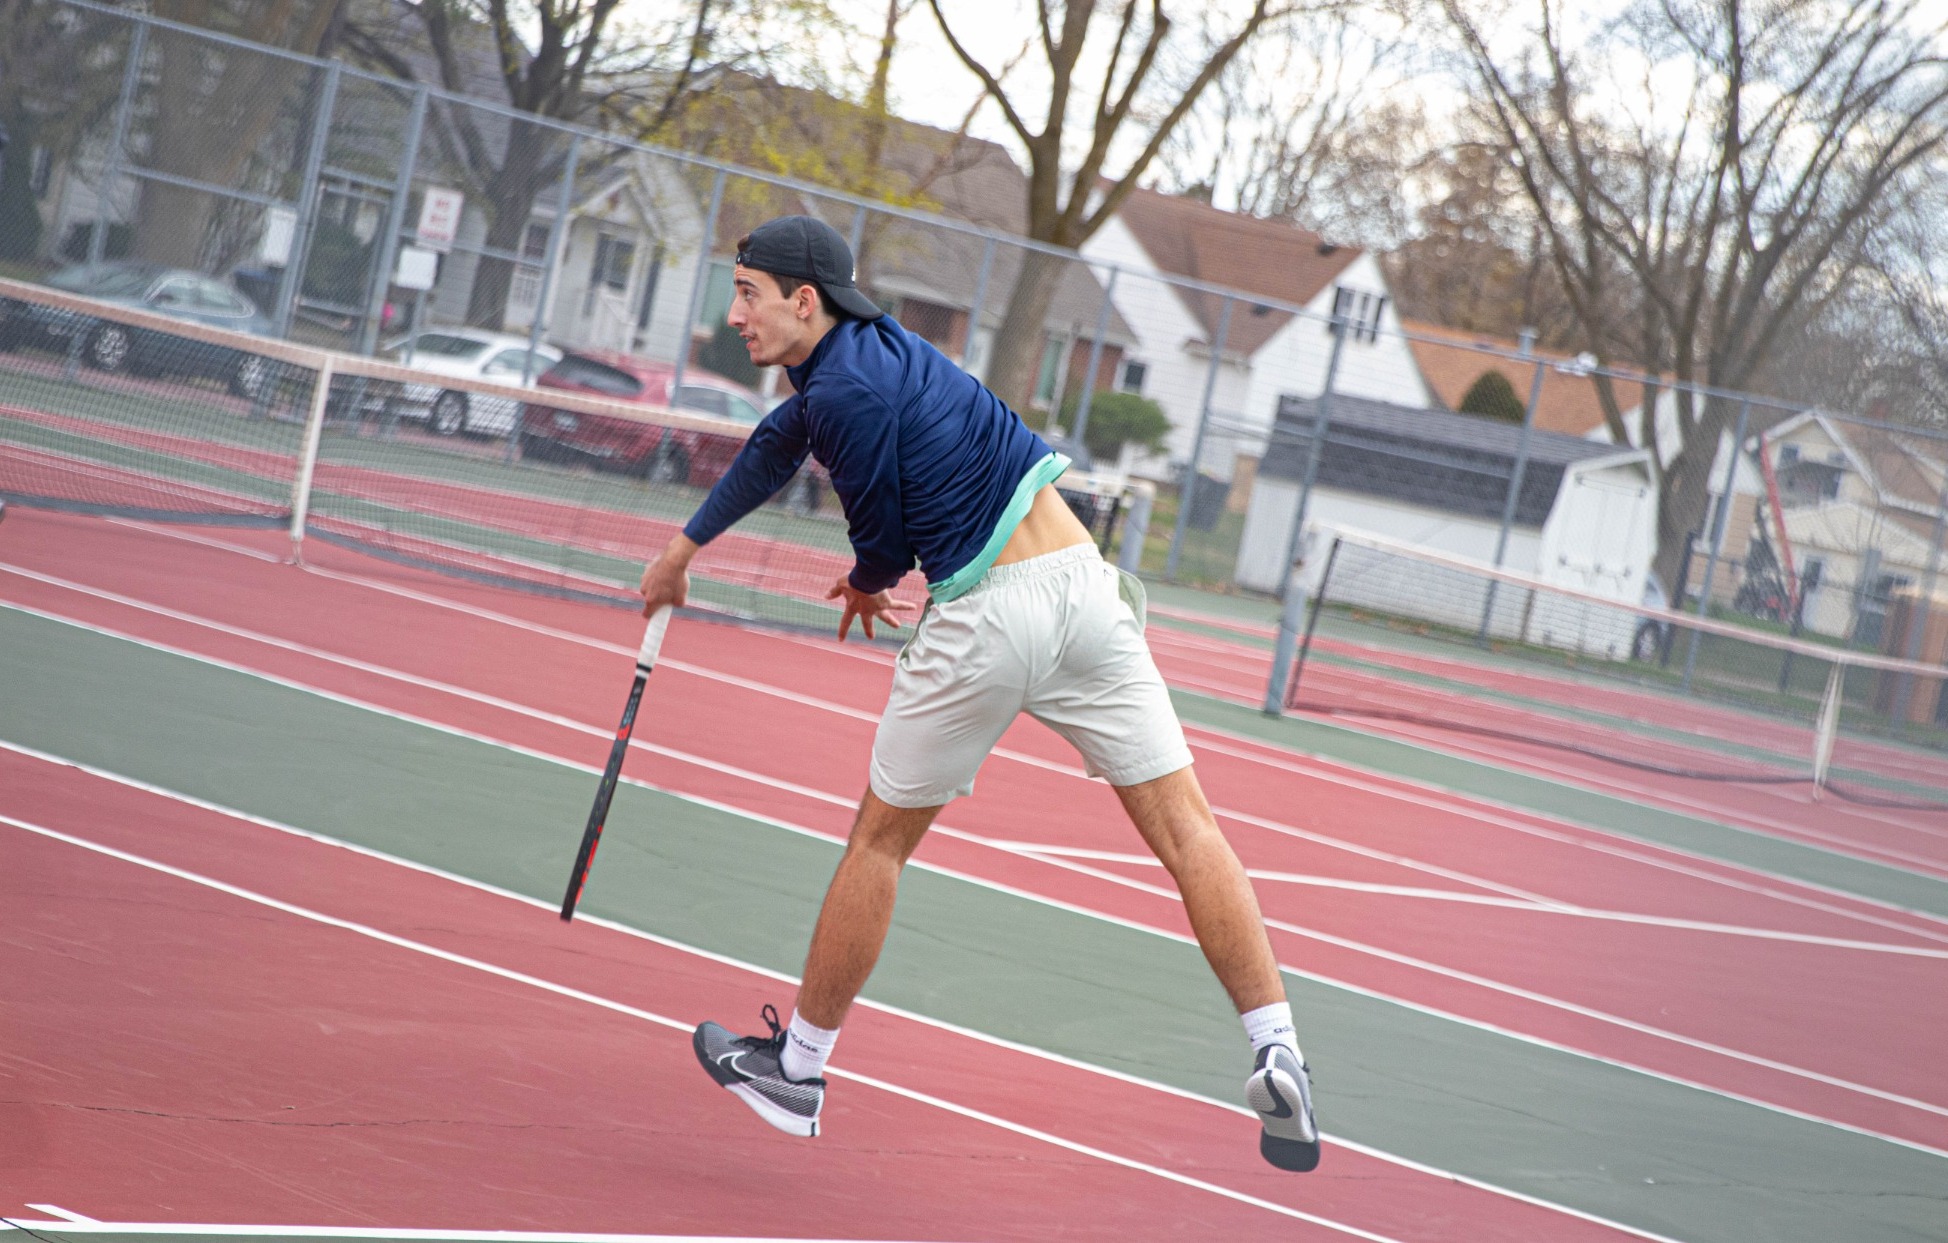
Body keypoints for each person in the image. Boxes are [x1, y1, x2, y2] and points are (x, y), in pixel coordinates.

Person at [637, 215, 1318, 1171]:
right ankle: (1277, 1047)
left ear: (804, 300)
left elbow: (883, 536)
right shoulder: (881, 351)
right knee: (1189, 829)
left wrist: (869, 579)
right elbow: (776, 443)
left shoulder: (847, 389)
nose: (734, 311)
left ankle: (799, 1067)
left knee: (880, 839)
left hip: (988, 611)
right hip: (1085, 583)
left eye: (747, 292)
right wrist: (683, 548)